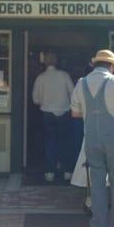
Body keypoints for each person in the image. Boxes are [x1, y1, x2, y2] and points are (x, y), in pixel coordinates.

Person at [71, 49, 114, 227]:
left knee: (97, 183)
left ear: (94, 64)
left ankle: (98, 226)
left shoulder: (81, 83)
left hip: (92, 138)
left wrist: (93, 115)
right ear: (111, 66)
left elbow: (74, 113)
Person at [32, 51, 75, 182]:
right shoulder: (64, 76)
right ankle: (67, 171)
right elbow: (74, 94)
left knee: (50, 142)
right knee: (65, 142)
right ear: (57, 62)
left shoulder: (41, 78)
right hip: (64, 112)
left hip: (48, 113)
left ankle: (50, 172)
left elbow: (35, 100)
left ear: (45, 62)